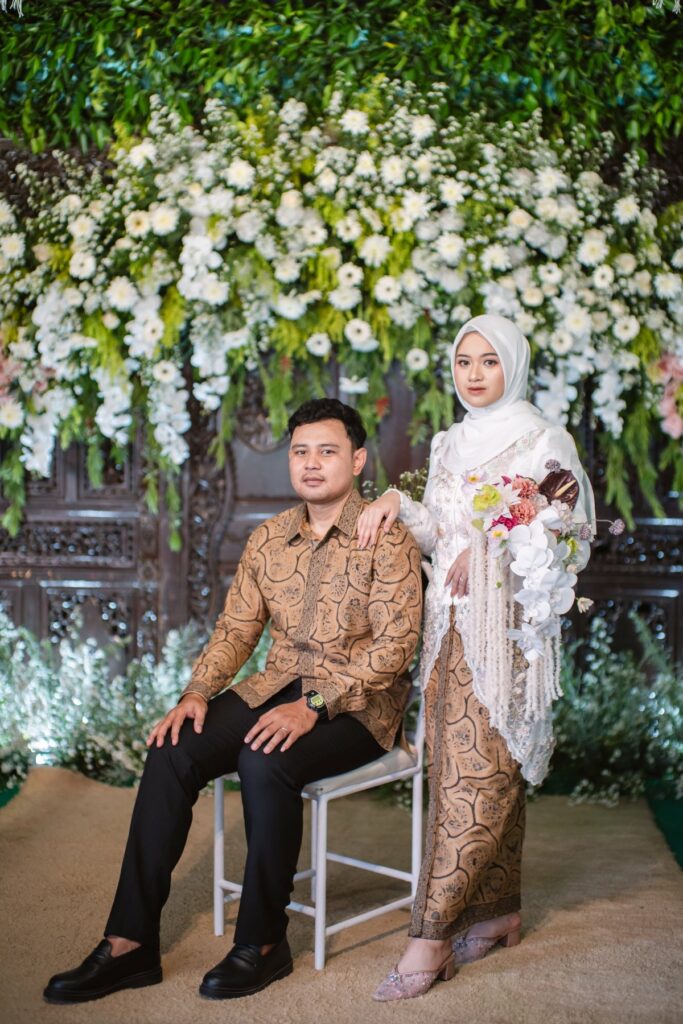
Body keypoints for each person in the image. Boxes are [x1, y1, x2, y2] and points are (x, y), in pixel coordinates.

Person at [44, 397, 423, 1004]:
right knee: (172, 748)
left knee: (264, 759)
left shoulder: (388, 538)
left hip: (358, 707)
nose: (311, 463)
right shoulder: (269, 538)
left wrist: (314, 705)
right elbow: (236, 630)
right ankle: (129, 943)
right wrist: (197, 692)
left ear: (356, 461)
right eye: (301, 452)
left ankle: (264, 943)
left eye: (327, 451)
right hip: (274, 687)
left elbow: (396, 647)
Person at [356, 314, 596, 1001]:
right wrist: (399, 505)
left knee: (482, 774)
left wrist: (491, 548)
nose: (474, 373)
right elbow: (440, 534)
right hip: (447, 626)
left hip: (505, 632)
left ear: (512, 365)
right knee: (458, 769)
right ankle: (496, 911)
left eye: (489, 360)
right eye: (464, 361)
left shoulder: (543, 438)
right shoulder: (449, 442)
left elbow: (571, 533)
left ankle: (429, 938)